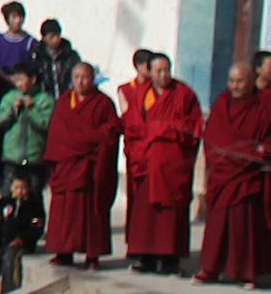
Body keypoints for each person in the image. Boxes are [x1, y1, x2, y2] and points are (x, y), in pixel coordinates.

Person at [193, 57, 271, 287]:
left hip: (248, 177)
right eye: (232, 81)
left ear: (251, 81)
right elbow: (212, 137)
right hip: (224, 175)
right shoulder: (222, 103)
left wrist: (262, 151)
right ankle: (210, 268)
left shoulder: (266, 106)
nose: (235, 86)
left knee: (245, 227)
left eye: (240, 81)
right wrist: (237, 153)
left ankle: (246, 272)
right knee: (217, 226)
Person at [117, 51, 202, 272]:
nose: (164, 75)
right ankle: (143, 257)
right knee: (145, 214)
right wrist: (148, 141)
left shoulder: (184, 94)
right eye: (159, 71)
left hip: (173, 164)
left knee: (171, 215)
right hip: (146, 160)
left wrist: (161, 130)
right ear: (150, 72)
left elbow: (193, 126)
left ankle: (169, 259)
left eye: (167, 70)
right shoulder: (141, 94)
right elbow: (132, 125)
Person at [42, 63, 117, 268]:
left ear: (93, 79)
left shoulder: (104, 104)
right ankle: (63, 252)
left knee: (91, 212)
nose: (81, 82)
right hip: (67, 165)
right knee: (63, 212)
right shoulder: (64, 102)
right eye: (76, 77)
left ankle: (92, 256)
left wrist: (87, 143)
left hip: (90, 168)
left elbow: (110, 133)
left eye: (85, 77)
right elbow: (56, 135)